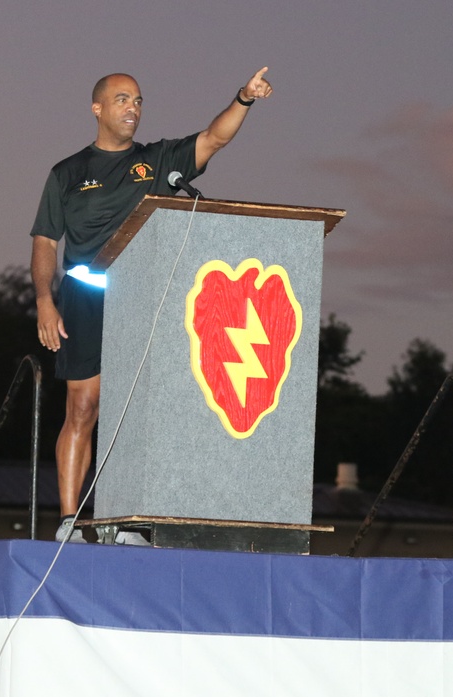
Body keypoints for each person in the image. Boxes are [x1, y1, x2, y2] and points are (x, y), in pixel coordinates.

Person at [30, 68, 273, 542]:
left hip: (145, 296)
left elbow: (213, 139)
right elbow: (44, 241)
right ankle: (70, 521)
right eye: (122, 99)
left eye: (139, 101)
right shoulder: (67, 173)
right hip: (86, 296)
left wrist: (244, 99)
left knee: (139, 411)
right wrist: (44, 300)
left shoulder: (158, 160)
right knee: (84, 405)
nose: (133, 108)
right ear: (97, 108)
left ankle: (126, 518)